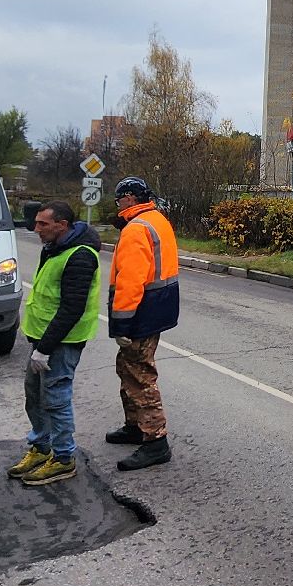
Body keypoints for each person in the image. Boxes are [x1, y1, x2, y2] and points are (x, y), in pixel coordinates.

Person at [8, 200, 101, 488]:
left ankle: (63, 458)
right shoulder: (54, 248)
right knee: (34, 395)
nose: (35, 229)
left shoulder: (81, 256)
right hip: (42, 338)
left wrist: (45, 348)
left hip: (61, 342)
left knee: (56, 400)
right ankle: (41, 447)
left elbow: (72, 308)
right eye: (36, 223)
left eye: (42, 224)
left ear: (62, 225)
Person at [106, 176, 179, 472]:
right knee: (128, 367)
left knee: (140, 375)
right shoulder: (155, 219)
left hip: (141, 313)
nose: (118, 204)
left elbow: (131, 280)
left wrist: (122, 323)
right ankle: (135, 426)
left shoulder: (136, 228)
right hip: (157, 308)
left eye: (119, 199)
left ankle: (155, 442)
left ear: (129, 198)